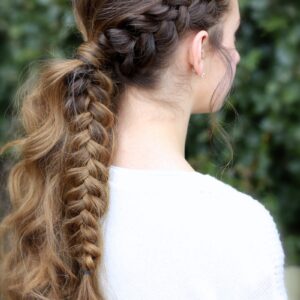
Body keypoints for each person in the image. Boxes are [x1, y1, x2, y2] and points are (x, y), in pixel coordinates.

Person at [0, 0, 288, 299]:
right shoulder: (242, 230)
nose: (237, 56)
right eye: (233, 37)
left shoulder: (53, 199)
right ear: (199, 50)